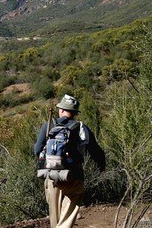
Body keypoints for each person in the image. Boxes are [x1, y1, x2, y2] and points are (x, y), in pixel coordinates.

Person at [34, 94, 105, 228]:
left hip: (51, 175)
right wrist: (101, 166)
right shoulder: (81, 127)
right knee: (72, 204)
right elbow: (96, 151)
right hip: (74, 175)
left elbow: (37, 149)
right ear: (75, 113)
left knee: (54, 212)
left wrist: (51, 161)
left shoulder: (48, 125)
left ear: (61, 110)